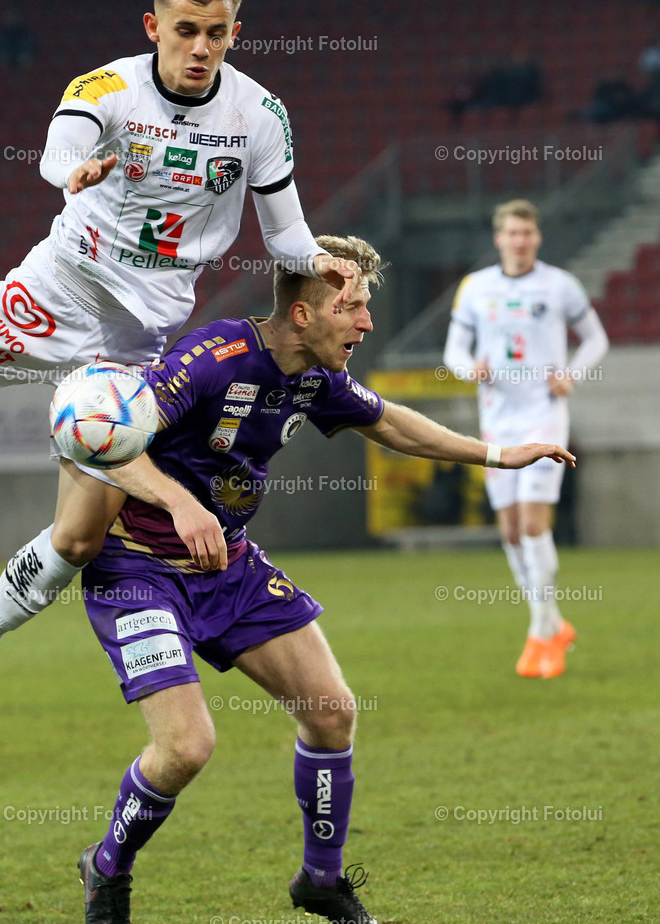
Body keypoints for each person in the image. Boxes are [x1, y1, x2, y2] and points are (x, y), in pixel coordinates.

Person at [0, 0, 359, 744]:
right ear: (154, 27)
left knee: (81, 540)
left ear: (233, 33)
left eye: (216, 34)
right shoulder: (106, 88)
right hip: (50, 296)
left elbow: (284, 234)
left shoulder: (260, 115)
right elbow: (59, 150)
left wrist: (312, 261)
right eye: (185, 31)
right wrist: (73, 172)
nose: (200, 48)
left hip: (131, 345)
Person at [66, 234, 574, 924]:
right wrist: (181, 502)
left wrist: (497, 454)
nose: (366, 322)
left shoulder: (314, 378)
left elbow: (392, 424)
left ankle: (321, 880)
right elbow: (103, 440)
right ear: (304, 314)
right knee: (186, 747)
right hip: (139, 572)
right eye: (354, 306)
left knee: (332, 714)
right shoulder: (212, 359)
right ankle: (106, 868)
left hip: (230, 566)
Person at [443, 199, 608, 679]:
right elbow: (455, 348)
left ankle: (540, 632)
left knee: (535, 524)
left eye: (528, 234)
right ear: (499, 238)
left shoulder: (559, 285)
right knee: (510, 530)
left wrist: (571, 375)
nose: (520, 241)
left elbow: (596, 338)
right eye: (512, 233)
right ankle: (553, 623)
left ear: (537, 238)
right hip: (497, 420)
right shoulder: (476, 288)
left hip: (543, 417)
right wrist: (467, 368)